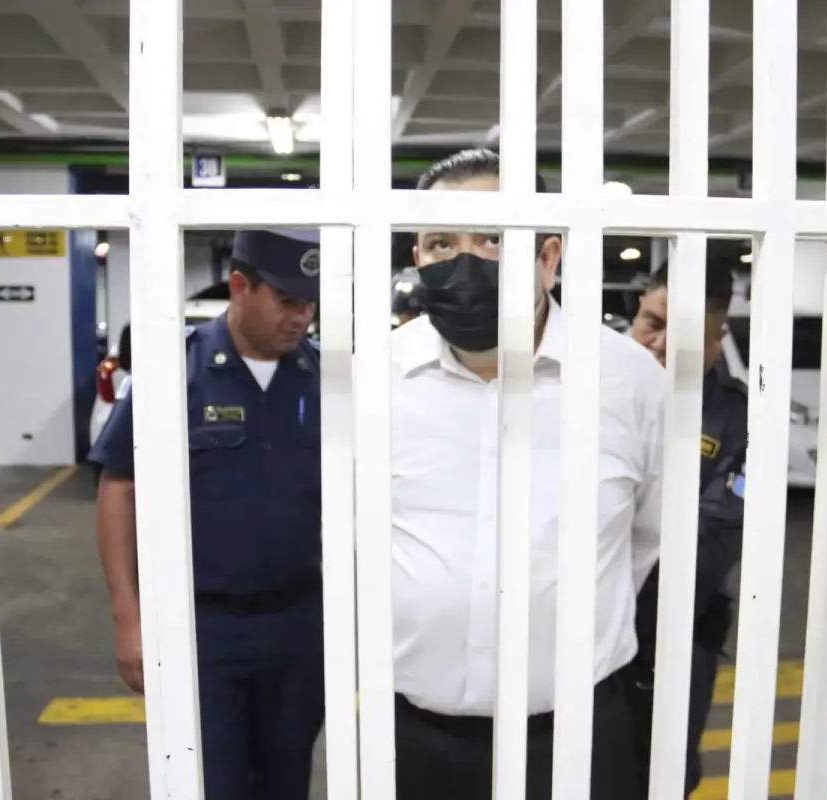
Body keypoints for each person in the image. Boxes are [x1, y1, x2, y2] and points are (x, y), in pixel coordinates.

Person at [390, 148, 666, 800]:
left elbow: (648, 534)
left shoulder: (627, 381)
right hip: (416, 739)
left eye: (492, 239)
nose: (464, 262)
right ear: (417, 258)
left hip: (577, 740)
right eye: (440, 243)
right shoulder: (375, 378)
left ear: (548, 257)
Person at [89, 229, 324, 800]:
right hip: (203, 629)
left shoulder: (323, 379)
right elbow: (119, 485)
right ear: (240, 286)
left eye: (311, 304)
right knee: (209, 782)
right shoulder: (177, 374)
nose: (302, 319)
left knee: (287, 778)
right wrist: (129, 617)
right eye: (288, 302)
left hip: (301, 625)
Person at [620, 259, 747, 795]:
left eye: (689, 337)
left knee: (661, 779)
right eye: (652, 322)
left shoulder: (741, 420)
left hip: (669, 644)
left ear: (717, 341)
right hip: (569, 636)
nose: (660, 345)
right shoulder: (590, 388)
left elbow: (713, 540)